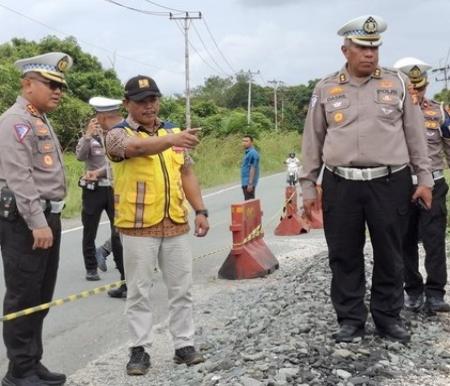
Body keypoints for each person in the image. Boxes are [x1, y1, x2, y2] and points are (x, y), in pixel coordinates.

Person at [300, 15, 433, 344]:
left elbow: (416, 136)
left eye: (374, 47)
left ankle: (388, 316)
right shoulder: (326, 88)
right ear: (345, 49)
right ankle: (350, 318)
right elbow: (312, 140)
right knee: (344, 253)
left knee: (391, 252)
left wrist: (425, 179)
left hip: (390, 182)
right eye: (361, 47)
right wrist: (307, 186)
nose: (369, 54)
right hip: (340, 183)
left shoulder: (397, 83)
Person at [105, 75, 209, 375]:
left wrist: (200, 209)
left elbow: (186, 173)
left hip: (174, 222)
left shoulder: (172, 133)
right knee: (139, 291)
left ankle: (183, 345)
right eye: (141, 101)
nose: (149, 106)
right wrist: (171, 140)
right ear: (127, 104)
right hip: (138, 226)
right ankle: (140, 350)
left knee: (182, 289)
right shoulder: (116, 134)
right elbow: (136, 149)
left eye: (153, 99)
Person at [0, 52, 72, 386]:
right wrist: (37, 222)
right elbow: (19, 178)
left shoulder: (39, 119)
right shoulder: (15, 121)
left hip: (45, 217)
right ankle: (19, 372)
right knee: (23, 294)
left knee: (40, 295)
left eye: (61, 86)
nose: (58, 91)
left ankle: (32, 362)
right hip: (26, 221)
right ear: (28, 84)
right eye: (51, 84)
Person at [394, 57, 450, 313]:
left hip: (435, 183)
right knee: (404, 241)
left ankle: (436, 293)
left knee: (434, 239)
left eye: (421, 87)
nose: (418, 93)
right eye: (412, 88)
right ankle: (413, 291)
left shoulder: (439, 112)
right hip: (402, 185)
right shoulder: (390, 114)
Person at [76, 96, 127, 298]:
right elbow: (80, 156)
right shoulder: (89, 139)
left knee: (119, 231)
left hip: (113, 189)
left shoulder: (116, 136)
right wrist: (88, 135)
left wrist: (99, 172)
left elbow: (116, 164)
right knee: (89, 230)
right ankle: (91, 267)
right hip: (93, 190)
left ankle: (123, 274)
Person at [241, 135, 260, 200]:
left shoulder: (253, 153)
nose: (244, 143)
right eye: (243, 141)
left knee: (249, 203)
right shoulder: (247, 153)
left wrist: (250, 183)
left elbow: (253, 168)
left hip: (248, 182)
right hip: (245, 181)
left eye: (246, 141)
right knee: (248, 202)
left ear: (251, 142)